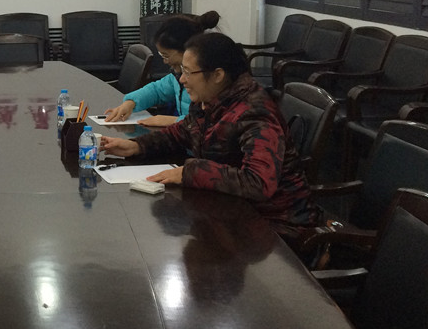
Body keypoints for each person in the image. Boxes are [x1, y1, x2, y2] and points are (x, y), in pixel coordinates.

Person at [99, 32, 322, 233]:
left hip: (274, 226)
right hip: (229, 211)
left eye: (188, 72)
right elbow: (180, 133)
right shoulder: (209, 100)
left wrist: (191, 171)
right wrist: (136, 146)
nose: (182, 79)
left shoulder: (255, 113)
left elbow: (258, 183)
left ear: (217, 75)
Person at [103, 11, 220, 127]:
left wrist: (174, 121)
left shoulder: (208, 81)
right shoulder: (177, 76)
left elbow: (211, 122)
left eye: (166, 55)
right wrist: (131, 102)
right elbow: (157, 90)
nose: (165, 61)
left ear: (188, 51)